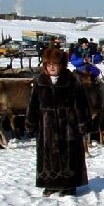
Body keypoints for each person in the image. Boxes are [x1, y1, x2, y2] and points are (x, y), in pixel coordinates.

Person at [25, 47, 91, 197]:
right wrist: (31, 123)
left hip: (69, 126)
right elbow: (33, 105)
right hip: (46, 126)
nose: (51, 67)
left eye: (54, 64)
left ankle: (69, 185)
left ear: (62, 65)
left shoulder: (73, 81)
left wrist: (83, 124)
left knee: (69, 155)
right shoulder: (39, 82)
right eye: (48, 64)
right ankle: (50, 184)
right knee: (48, 156)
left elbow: (81, 105)